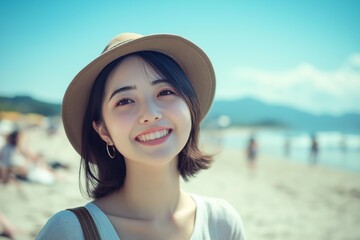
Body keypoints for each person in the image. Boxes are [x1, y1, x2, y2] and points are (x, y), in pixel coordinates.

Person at [36, 33, 245, 239]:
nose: (150, 114)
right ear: (103, 131)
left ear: (190, 107)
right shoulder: (70, 231)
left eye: (165, 92)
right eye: (125, 101)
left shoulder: (222, 224)